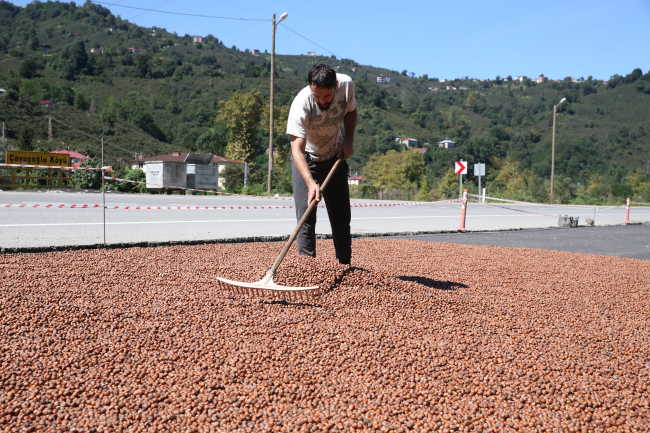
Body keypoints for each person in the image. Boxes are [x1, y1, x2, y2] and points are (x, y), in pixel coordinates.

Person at [286, 64, 357, 265]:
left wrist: (348, 139)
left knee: (341, 216)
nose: (322, 101)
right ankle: (308, 269)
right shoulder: (301, 104)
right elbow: (297, 150)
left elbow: (351, 112)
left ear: (335, 85)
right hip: (306, 160)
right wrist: (311, 183)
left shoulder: (347, 85)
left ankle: (344, 266)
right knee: (306, 218)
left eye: (326, 97)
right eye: (317, 97)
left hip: (335, 156)